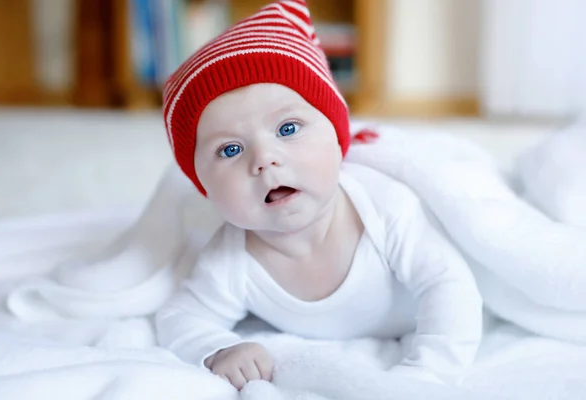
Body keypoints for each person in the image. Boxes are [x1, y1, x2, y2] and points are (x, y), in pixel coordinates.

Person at [156, 0, 482, 390]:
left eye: (289, 128)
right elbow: (180, 318)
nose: (264, 160)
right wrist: (218, 348)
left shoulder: (385, 208)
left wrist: (428, 374)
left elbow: (450, 285)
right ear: (202, 186)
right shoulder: (230, 259)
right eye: (230, 149)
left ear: (338, 136)